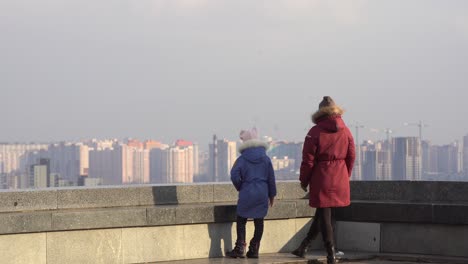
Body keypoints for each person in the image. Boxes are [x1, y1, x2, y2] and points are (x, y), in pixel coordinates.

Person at [291, 96, 355, 264]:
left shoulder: (314, 132)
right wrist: (345, 175)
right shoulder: (346, 130)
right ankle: (303, 246)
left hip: (322, 177)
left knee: (325, 214)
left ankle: (330, 253)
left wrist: (304, 180)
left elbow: (308, 161)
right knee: (323, 212)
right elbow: (351, 156)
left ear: (320, 112)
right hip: (340, 176)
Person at [226, 127, 277, 259]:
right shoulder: (266, 159)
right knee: (259, 221)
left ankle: (239, 248)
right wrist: (272, 195)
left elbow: (234, 175)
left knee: (241, 219)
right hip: (262, 193)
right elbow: (271, 178)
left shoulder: (242, 158)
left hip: (247, 192)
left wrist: (241, 186)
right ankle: (254, 249)